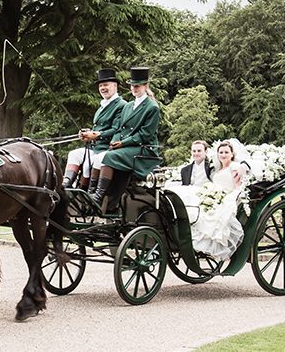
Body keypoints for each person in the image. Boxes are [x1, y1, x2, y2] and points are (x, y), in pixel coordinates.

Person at [166, 139, 255, 261]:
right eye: (221, 152)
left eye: (226, 152)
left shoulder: (234, 167)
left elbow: (237, 186)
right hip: (213, 194)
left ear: (232, 154)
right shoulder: (216, 169)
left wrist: (227, 197)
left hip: (226, 195)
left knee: (210, 216)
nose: (223, 155)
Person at [91, 66, 162, 208]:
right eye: (132, 86)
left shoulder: (152, 107)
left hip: (143, 149)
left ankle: (98, 196)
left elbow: (144, 135)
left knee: (108, 157)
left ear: (145, 86)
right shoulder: (128, 106)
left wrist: (122, 143)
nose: (134, 89)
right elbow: (119, 129)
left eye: (137, 86)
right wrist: (113, 141)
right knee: (101, 156)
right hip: (127, 146)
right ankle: (91, 192)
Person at [62, 68, 127, 189]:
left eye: (106, 85)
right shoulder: (101, 106)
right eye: (101, 85)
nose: (103, 88)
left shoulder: (121, 105)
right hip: (94, 147)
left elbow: (116, 130)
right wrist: (87, 133)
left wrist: (96, 135)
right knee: (74, 154)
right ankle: (66, 185)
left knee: (88, 164)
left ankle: (85, 191)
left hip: (109, 149)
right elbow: (97, 128)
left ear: (115, 86)